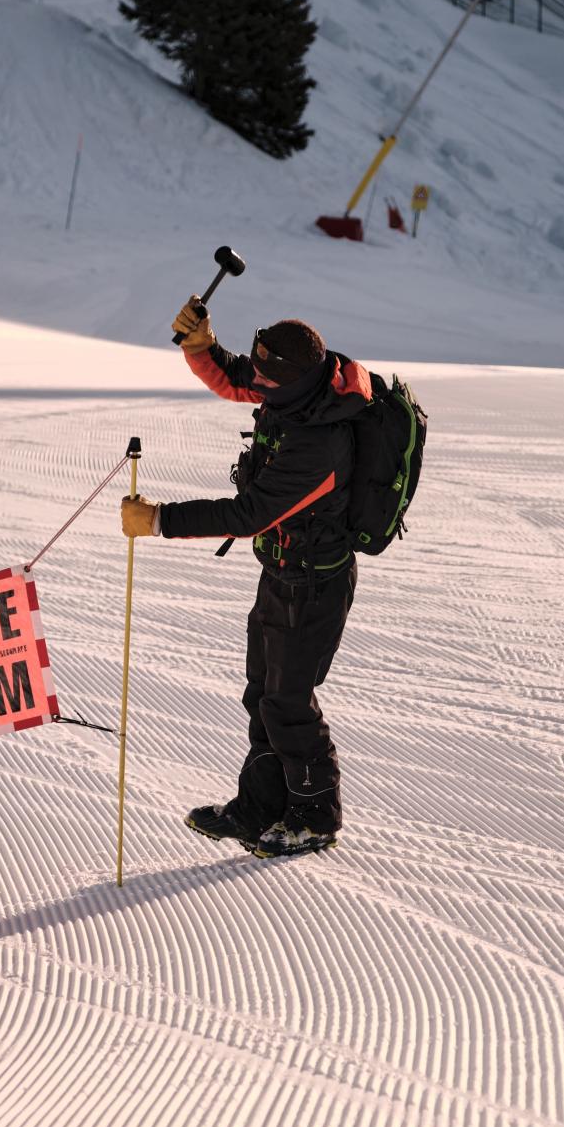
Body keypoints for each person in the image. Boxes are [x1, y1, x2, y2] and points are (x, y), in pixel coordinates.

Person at [119, 299, 372, 858]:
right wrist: (200, 345)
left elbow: (248, 514)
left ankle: (314, 814)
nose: (253, 380)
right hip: (281, 570)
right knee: (261, 693)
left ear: (290, 382)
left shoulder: (319, 443)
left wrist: (160, 520)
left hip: (314, 585)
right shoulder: (299, 393)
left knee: (288, 701)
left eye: (265, 375)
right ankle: (260, 806)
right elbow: (237, 379)